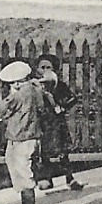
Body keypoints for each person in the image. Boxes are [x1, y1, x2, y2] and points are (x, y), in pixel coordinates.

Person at [0, 60, 56, 204]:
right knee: (24, 174)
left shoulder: (20, 94)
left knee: (23, 176)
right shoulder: (36, 90)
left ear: (17, 81)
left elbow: (0, 109)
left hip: (21, 137)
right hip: (30, 135)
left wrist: (10, 94)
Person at [34, 54, 84, 191]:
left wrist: (59, 106)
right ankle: (46, 178)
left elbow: (72, 99)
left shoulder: (59, 86)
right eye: (42, 67)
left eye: (48, 67)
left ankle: (70, 178)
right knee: (43, 152)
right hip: (42, 122)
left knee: (62, 151)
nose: (45, 70)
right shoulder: (35, 86)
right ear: (37, 69)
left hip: (56, 122)